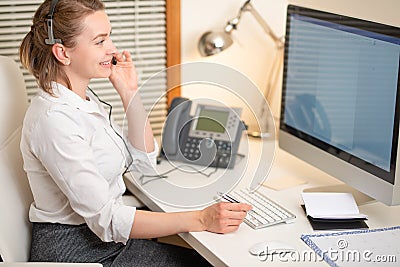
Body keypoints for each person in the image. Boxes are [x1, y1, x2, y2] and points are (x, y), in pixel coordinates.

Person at [19, 0, 252, 266]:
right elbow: (106, 220)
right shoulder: (54, 120)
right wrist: (201, 218)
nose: (113, 49)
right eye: (100, 41)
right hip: (78, 252)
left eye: (109, 37)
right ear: (63, 53)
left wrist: (129, 92)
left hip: (106, 238)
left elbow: (142, 160)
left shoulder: (83, 101)